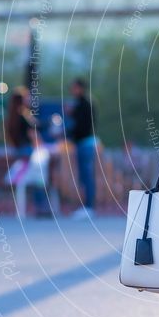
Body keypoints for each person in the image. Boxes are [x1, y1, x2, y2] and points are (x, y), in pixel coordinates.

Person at [5, 86, 51, 217]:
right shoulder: (24, 114)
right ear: (22, 100)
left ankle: (41, 206)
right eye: (27, 97)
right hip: (29, 151)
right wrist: (52, 121)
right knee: (39, 175)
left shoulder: (12, 115)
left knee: (37, 175)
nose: (30, 99)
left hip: (20, 152)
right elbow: (37, 126)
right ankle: (41, 206)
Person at [65, 78, 98, 219]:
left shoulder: (84, 104)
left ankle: (89, 207)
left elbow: (82, 126)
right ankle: (87, 206)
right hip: (83, 143)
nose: (73, 91)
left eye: (74, 88)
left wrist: (68, 133)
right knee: (84, 176)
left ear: (80, 88)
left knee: (87, 176)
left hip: (85, 143)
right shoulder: (83, 104)